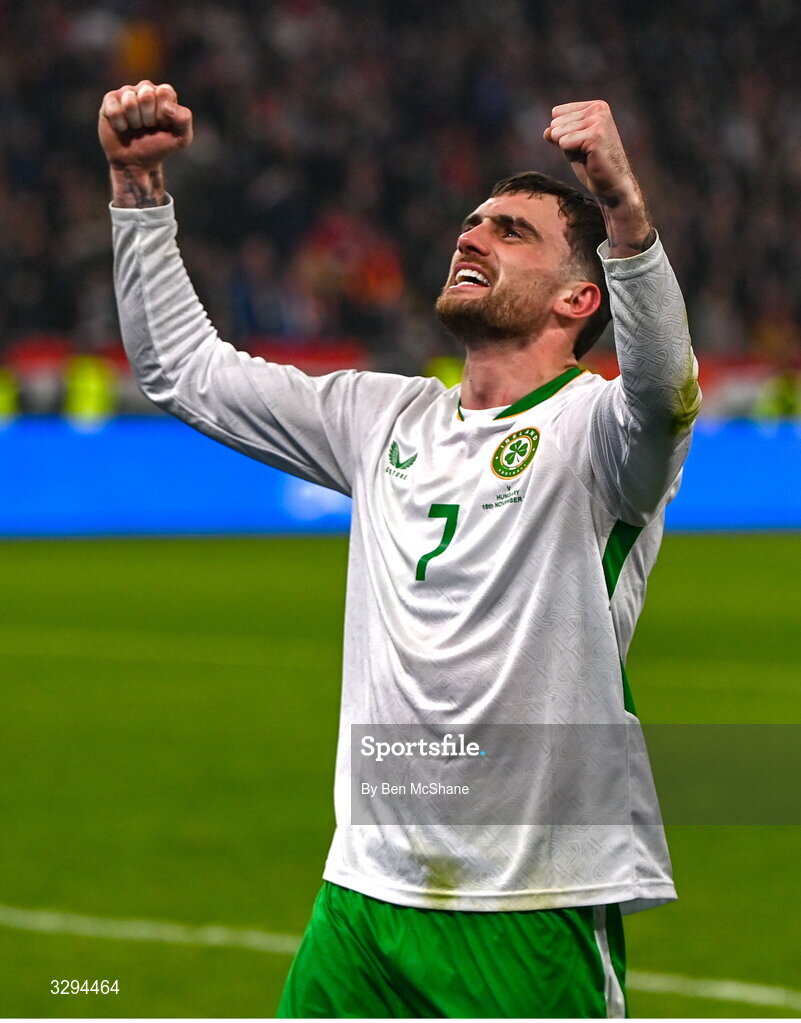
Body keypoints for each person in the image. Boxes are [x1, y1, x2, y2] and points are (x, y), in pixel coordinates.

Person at [99, 81, 701, 1018]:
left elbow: (665, 391)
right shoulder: (380, 417)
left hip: (524, 902)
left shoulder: (600, 435)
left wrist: (625, 213)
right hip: (362, 898)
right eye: (471, 223)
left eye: (510, 232)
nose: (471, 236)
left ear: (579, 297)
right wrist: (137, 189)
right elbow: (184, 370)